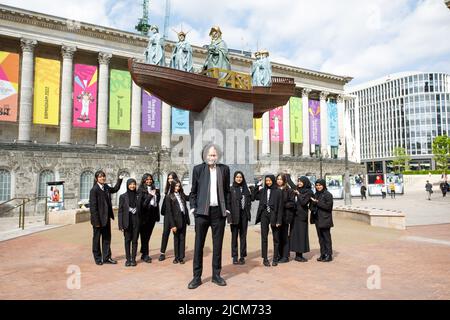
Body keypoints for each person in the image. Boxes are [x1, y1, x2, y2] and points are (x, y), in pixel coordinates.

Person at [188, 143, 231, 289]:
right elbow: (193, 192)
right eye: (210, 155)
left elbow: (227, 191)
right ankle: (196, 277)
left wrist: (228, 209)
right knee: (198, 245)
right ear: (205, 156)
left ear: (218, 156)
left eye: (214, 155)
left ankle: (216, 275)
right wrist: (193, 208)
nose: (212, 157)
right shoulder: (198, 169)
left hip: (218, 213)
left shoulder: (224, 169)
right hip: (201, 213)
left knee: (217, 245)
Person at [89, 170, 123, 265]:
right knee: (96, 239)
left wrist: (120, 179)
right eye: (100, 177)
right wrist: (96, 221)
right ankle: (97, 258)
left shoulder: (106, 187)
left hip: (106, 218)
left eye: (103, 176)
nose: (102, 178)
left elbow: (115, 189)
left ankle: (107, 257)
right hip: (98, 220)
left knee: (107, 238)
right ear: (96, 179)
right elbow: (93, 207)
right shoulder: (94, 190)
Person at [254, 174, 283, 267]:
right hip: (264, 214)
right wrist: (257, 185)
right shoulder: (263, 191)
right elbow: (254, 197)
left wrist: (279, 220)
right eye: (266, 181)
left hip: (274, 215)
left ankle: (275, 258)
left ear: (273, 181)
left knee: (276, 238)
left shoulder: (278, 191)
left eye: (270, 180)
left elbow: (280, 207)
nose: (268, 182)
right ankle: (265, 258)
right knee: (264, 237)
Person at [159, 172, 188, 261]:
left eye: (171, 178)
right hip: (168, 215)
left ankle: (179, 256)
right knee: (165, 233)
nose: (170, 180)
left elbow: (185, 197)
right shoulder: (167, 189)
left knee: (178, 236)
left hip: (176, 215)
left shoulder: (178, 189)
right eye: (169, 178)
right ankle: (162, 253)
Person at [228, 171, 253, 265]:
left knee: (243, 236)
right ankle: (235, 256)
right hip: (235, 215)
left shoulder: (246, 189)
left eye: (241, 177)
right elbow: (228, 204)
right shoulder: (231, 189)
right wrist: (229, 217)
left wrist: (254, 189)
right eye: (237, 177)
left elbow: (251, 199)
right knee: (234, 237)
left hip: (244, 215)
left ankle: (242, 256)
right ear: (234, 178)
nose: (239, 179)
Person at [165, 179, 190, 264]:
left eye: (179, 186)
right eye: (176, 186)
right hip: (175, 221)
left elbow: (189, 198)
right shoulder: (169, 196)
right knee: (176, 239)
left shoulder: (181, 194)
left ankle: (181, 257)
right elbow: (169, 212)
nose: (177, 188)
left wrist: (196, 189)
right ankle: (176, 257)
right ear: (172, 186)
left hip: (183, 218)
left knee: (182, 238)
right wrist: (172, 225)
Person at [138, 173, 161, 263]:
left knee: (148, 235)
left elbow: (157, 202)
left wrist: (157, 194)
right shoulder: (140, 190)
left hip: (152, 215)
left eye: (150, 179)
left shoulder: (154, 189)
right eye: (147, 179)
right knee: (144, 236)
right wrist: (150, 195)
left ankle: (143, 250)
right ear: (144, 180)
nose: (149, 181)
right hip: (144, 216)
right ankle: (145, 255)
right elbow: (142, 205)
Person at [310, 179, 334, 262]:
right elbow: (312, 206)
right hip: (317, 219)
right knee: (320, 238)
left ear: (323, 185)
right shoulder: (316, 194)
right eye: (317, 185)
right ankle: (323, 254)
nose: (318, 187)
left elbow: (328, 207)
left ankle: (329, 255)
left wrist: (317, 202)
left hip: (325, 219)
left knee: (326, 237)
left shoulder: (328, 194)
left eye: (320, 185)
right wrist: (312, 205)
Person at [290, 176, 313, 262]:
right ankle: (297, 255)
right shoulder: (296, 189)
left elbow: (303, 202)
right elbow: (291, 184)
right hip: (294, 215)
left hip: (302, 216)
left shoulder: (308, 192)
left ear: (305, 182)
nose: (299, 183)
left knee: (302, 235)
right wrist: (287, 176)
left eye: (301, 181)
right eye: (298, 181)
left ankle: (300, 254)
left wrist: (298, 194)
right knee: (295, 235)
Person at [118, 178, 139, 267]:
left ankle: (133, 259)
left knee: (135, 241)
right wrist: (120, 225)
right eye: (130, 184)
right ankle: (128, 259)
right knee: (127, 240)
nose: (132, 186)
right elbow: (120, 211)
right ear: (127, 185)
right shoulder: (123, 196)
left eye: (134, 184)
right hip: (127, 221)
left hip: (136, 221)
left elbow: (142, 207)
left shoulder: (138, 195)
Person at [276, 173, 296, 263]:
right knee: (277, 237)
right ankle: (278, 254)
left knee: (284, 236)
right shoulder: (274, 190)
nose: (279, 181)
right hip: (276, 218)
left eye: (281, 179)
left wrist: (282, 205)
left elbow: (292, 203)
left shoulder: (289, 190)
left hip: (285, 217)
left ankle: (285, 256)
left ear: (284, 180)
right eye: (278, 179)